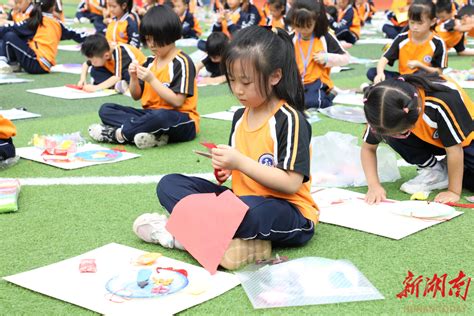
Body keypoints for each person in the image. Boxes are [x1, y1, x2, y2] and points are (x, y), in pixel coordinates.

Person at [133, 25, 318, 270]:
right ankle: (233, 241)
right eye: (232, 80)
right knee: (170, 184)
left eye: (246, 82)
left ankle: (177, 236)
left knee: (246, 213)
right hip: (238, 203)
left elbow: (291, 183)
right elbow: (240, 169)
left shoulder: (289, 119)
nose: (238, 89)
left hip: (287, 209)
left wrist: (239, 162)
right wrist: (226, 170)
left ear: (275, 76)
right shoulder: (240, 116)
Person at [89, 5, 199, 149]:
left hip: (181, 118)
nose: (151, 44)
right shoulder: (148, 62)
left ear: (170, 35)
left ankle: (119, 134)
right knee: (106, 109)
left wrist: (152, 80)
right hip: (149, 115)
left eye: (156, 39)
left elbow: (177, 102)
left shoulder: (182, 61)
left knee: (160, 117)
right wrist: (133, 77)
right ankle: (152, 135)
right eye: (148, 39)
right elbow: (136, 96)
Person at [361, 73, 474, 204]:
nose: (396, 137)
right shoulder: (382, 110)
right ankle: (436, 170)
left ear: (417, 113)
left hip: (466, 139)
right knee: (390, 132)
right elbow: (368, 149)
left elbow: (455, 149)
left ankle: (452, 166)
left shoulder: (440, 102)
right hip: (436, 139)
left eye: (403, 133)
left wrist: (453, 191)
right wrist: (374, 186)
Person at [287, 0, 350, 110]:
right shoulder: (291, 38)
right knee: (289, 103)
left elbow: (345, 58)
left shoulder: (324, 37)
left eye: (308, 26)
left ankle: (330, 95)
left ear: (316, 21)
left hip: (317, 81)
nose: (303, 30)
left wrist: (327, 58)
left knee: (313, 103)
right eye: (298, 25)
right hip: (296, 82)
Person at [367, 0, 446, 83]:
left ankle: (398, 85)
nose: (415, 27)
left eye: (420, 23)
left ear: (432, 22)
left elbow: (439, 72)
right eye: (412, 22)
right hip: (403, 77)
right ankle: (401, 84)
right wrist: (380, 74)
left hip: (423, 79)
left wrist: (420, 65)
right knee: (372, 73)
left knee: (420, 75)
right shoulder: (402, 38)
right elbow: (384, 59)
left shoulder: (438, 42)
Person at [0, 0, 87, 74]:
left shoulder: (34, 21)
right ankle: (12, 63)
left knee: (9, 36)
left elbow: (9, 29)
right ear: (53, 7)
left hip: (36, 63)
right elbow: (77, 35)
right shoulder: (57, 23)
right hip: (46, 65)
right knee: (16, 35)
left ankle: (6, 62)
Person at [78, 34, 146, 93]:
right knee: (94, 70)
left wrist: (96, 88)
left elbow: (117, 77)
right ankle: (116, 85)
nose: (92, 63)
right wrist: (82, 80)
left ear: (106, 56)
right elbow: (86, 64)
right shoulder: (99, 52)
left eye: (94, 61)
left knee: (128, 73)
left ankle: (120, 85)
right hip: (117, 73)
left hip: (137, 71)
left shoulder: (120, 51)